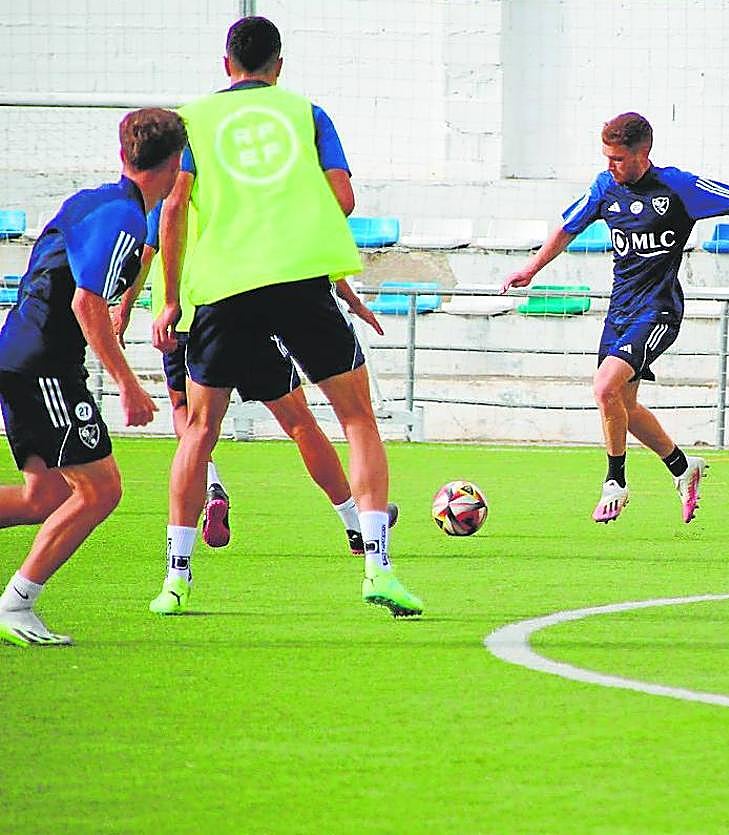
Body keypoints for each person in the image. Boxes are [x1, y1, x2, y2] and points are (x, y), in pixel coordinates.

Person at [149, 16, 422, 616]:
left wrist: (170, 298)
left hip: (222, 287)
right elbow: (343, 199)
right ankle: (377, 565)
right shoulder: (307, 113)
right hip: (298, 281)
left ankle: (175, 579)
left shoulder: (190, 118)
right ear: (279, 66)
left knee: (198, 430)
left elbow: (171, 211)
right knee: (357, 420)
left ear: (227, 65)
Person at [502, 112, 729, 524]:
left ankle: (616, 483)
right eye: (606, 157)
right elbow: (567, 229)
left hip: (659, 309)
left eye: (618, 159)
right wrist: (532, 269)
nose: (610, 166)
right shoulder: (603, 187)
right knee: (622, 405)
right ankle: (684, 468)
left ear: (642, 153)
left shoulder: (677, 186)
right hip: (621, 311)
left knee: (604, 387)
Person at [112, 202, 399, 556]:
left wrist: (124, 310)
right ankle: (354, 524)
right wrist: (344, 292)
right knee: (300, 423)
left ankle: (208, 494)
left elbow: (147, 251)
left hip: (180, 320)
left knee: (190, 418)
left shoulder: (174, 187)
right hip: (236, 310)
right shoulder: (233, 181)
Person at [0, 108, 186, 647]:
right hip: (44, 365)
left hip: (23, 353)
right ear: (174, 163)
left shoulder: (93, 200)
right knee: (101, 490)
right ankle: (17, 604)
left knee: (44, 498)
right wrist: (127, 384)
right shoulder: (126, 219)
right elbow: (86, 303)